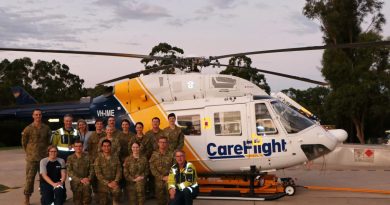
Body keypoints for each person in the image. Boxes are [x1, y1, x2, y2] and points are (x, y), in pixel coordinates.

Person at [21, 109, 52, 205]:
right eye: (36, 115)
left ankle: (45, 197)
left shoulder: (46, 128)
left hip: (43, 159)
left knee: (44, 179)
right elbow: (24, 143)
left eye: (39, 115)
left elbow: (49, 142)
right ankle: (27, 198)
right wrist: (29, 153)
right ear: (33, 116)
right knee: (29, 179)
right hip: (32, 159)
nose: (38, 116)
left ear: (41, 116)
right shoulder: (28, 128)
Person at [94, 139, 122, 205]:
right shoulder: (98, 159)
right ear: (102, 147)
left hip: (114, 182)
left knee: (117, 191)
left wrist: (115, 181)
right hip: (103, 185)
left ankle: (115, 202)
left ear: (111, 147)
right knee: (103, 202)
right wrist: (107, 183)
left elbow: (119, 171)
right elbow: (98, 174)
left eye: (108, 146)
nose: (106, 148)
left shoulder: (115, 158)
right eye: (104, 146)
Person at [67, 140, 92, 205]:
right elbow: (69, 171)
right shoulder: (70, 158)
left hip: (86, 181)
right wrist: (80, 180)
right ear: (74, 147)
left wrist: (88, 178)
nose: (78, 148)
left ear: (82, 147)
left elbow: (92, 169)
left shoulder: (88, 156)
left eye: (80, 146)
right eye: (76, 146)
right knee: (77, 202)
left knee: (87, 199)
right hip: (76, 182)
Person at [149, 137, 174, 205]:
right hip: (158, 179)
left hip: (169, 179)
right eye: (161, 142)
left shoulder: (171, 154)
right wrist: (161, 177)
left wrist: (169, 177)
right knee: (160, 200)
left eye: (164, 142)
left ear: (167, 144)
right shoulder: (154, 154)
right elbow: (152, 168)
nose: (162, 144)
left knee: (170, 198)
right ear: (158, 143)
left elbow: (175, 167)